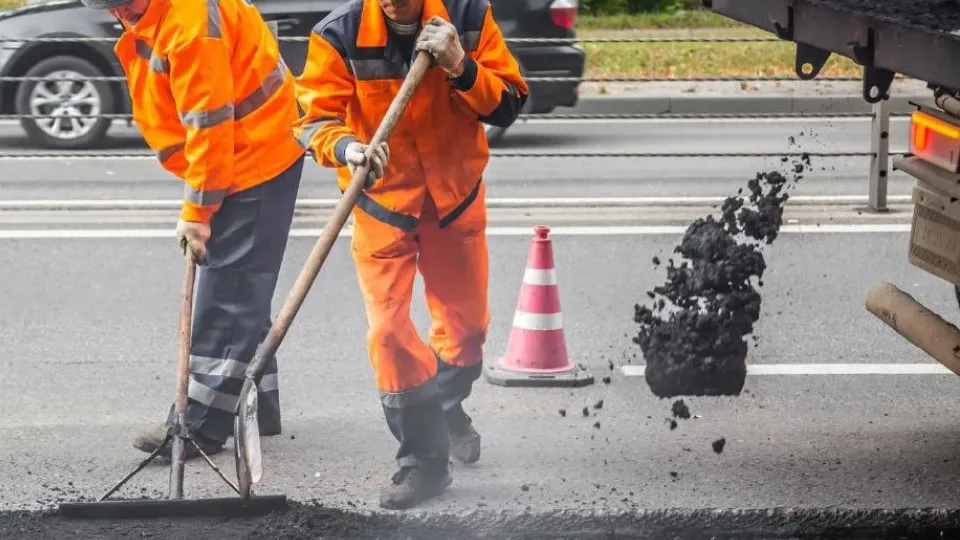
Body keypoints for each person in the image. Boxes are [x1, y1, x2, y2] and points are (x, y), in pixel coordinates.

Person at [292, 0, 528, 510]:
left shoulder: (468, 16)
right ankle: (422, 460)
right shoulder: (339, 33)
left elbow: (508, 103)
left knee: (465, 332)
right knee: (388, 334)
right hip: (382, 204)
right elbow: (313, 120)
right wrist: (348, 148)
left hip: (453, 200)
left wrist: (460, 66)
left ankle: (442, 411)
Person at [80, 0, 306, 459]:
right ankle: (255, 406)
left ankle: (200, 426)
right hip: (243, 149)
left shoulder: (190, 26)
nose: (117, 13)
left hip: (251, 156)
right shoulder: (150, 13)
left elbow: (210, 127)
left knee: (228, 294)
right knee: (242, 290)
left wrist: (197, 213)